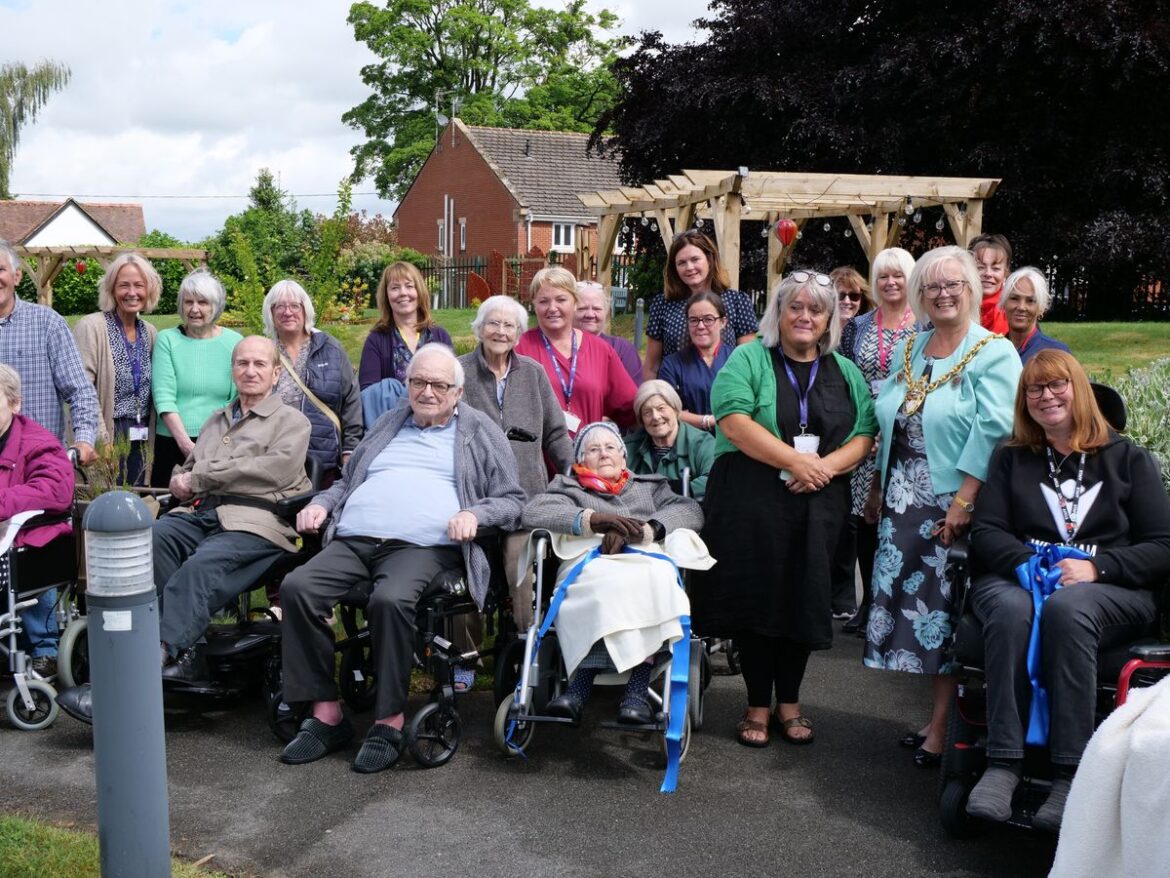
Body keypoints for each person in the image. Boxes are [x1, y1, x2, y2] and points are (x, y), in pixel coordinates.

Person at [277, 344, 525, 774]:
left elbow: (512, 500)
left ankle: (388, 721)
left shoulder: (479, 430)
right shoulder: (390, 423)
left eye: (438, 385)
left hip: (423, 546)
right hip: (355, 538)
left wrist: (474, 513)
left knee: (389, 601)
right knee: (298, 588)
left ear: (458, 392)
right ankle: (326, 713)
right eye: (418, 382)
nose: (426, 391)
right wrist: (323, 502)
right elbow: (348, 481)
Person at [56, 337, 313, 722]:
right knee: (153, 540)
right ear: (233, 370)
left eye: (260, 364)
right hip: (200, 514)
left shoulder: (292, 422)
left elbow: (270, 471)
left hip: (256, 522)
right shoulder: (216, 419)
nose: (250, 370)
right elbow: (187, 466)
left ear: (276, 373)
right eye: (242, 363)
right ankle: (179, 649)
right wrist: (179, 479)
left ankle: (134, 679)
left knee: (200, 567)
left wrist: (200, 477)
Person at [964, 350, 1170, 831]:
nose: (1046, 396)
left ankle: (1070, 771)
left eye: (1058, 385)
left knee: (1068, 608)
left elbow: (1163, 545)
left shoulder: (1130, 460)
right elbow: (989, 531)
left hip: (1110, 590)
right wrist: (1024, 564)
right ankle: (1003, 762)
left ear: (1079, 390)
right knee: (1013, 610)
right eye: (1034, 389)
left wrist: (1098, 568)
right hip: (1018, 579)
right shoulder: (1011, 459)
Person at [692, 270, 877, 747]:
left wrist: (822, 468)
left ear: (829, 319)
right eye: (795, 307)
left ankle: (789, 701)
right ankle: (755, 703)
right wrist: (796, 460)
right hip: (753, 501)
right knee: (760, 600)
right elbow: (733, 421)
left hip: (819, 504)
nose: (805, 316)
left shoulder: (846, 371)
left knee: (804, 598)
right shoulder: (749, 358)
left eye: (816, 309)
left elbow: (865, 432)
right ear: (778, 313)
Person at [864, 245, 1021, 767]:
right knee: (921, 620)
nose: (943, 293)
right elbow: (885, 414)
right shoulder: (912, 347)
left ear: (972, 291)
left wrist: (963, 500)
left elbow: (993, 430)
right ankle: (935, 721)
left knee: (945, 619)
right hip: (902, 502)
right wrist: (878, 485)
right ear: (920, 296)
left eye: (954, 284)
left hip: (951, 507)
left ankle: (942, 731)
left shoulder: (994, 352)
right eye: (932, 286)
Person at [521, 421, 705, 725]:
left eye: (610, 448)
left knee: (653, 586)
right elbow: (533, 512)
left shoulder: (649, 486)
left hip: (643, 557)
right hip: (591, 561)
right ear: (581, 461)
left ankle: (632, 691)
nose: (603, 454)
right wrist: (592, 520)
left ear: (623, 457)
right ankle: (583, 689)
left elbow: (690, 511)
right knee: (599, 589)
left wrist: (649, 529)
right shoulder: (567, 488)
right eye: (593, 449)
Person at [0, 240, 97, 676]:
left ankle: (41, 643)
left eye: (1, 269)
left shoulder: (46, 323)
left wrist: (87, 437)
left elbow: (79, 389)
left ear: (17, 275)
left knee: (33, 539)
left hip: (37, 460)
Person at [458, 294, 573, 631]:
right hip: (474, 497)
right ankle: (464, 658)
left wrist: (572, 472)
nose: (501, 331)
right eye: (493, 322)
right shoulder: (460, 373)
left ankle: (526, 641)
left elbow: (555, 432)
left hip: (525, 497)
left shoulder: (533, 373)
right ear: (480, 328)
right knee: (464, 559)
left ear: (519, 333)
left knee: (520, 561)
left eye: (509, 325)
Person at [836, 249, 919, 632]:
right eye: (883, 276)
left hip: (906, 435)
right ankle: (868, 602)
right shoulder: (860, 325)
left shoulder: (923, 326)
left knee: (899, 521)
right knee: (865, 522)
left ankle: (898, 605)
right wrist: (861, 428)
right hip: (864, 435)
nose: (890, 283)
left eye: (897, 276)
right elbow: (846, 377)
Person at [0, 364, 75, 676]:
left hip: (30, 540)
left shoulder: (38, 442)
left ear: (15, 403)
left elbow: (54, 491)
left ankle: (45, 648)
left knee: (31, 547)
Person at [73, 253, 162, 485]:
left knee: (136, 498)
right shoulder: (92, 327)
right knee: (107, 495)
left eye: (139, 285)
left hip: (141, 430)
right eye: (124, 285)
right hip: (108, 428)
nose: (132, 293)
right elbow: (82, 390)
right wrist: (102, 439)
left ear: (149, 290)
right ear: (112, 289)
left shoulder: (150, 332)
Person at [515, 266, 637, 435]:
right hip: (536, 457)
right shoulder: (519, 348)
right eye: (543, 301)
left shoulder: (600, 350)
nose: (552, 307)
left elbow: (629, 406)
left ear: (575, 303)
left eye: (561, 300)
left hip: (587, 455)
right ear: (534, 305)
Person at [262, 279, 362, 484]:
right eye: (279, 306)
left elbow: (351, 401)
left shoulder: (331, 348)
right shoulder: (264, 352)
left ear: (305, 310)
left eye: (294, 306)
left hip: (324, 462)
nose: (287, 312)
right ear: (270, 313)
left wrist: (350, 450)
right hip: (274, 460)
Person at [150, 268, 243, 487]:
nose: (194, 309)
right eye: (188, 302)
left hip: (220, 441)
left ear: (216, 306)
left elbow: (237, 398)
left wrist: (216, 443)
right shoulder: (167, 340)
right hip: (171, 441)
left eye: (202, 302)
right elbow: (163, 396)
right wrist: (185, 444)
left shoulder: (234, 342)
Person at [643, 229, 758, 380]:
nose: (689, 267)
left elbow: (750, 363)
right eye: (681, 263)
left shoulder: (737, 302)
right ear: (675, 268)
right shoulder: (663, 304)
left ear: (709, 260)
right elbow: (652, 366)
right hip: (675, 392)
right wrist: (649, 398)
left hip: (725, 390)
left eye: (695, 259)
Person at [358, 261, 453, 390]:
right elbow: (369, 394)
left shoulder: (440, 336)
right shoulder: (376, 340)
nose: (403, 293)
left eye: (409, 286)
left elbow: (453, 384)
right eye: (395, 288)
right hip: (393, 410)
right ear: (386, 296)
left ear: (419, 291)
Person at [624, 379, 715, 499]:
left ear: (676, 409)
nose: (655, 417)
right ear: (641, 419)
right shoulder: (627, 447)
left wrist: (668, 492)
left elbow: (713, 480)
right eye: (647, 412)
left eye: (661, 408)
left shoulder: (702, 443)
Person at [658, 291, 734, 432]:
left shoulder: (738, 360)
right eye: (694, 320)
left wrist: (685, 415)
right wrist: (707, 421)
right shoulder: (672, 364)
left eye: (708, 319)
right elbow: (665, 409)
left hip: (733, 442)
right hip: (689, 444)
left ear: (723, 322)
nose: (700, 326)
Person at [574, 280, 642, 385]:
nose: (590, 314)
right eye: (582, 308)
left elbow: (636, 394)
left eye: (597, 309)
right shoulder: (561, 349)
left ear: (606, 312)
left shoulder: (623, 350)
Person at [1000, 267, 1070, 362]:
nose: (1021, 307)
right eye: (1014, 298)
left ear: (1041, 308)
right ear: (1004, 303)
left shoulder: (1057, 353)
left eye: (1030, 301)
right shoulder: (992, 351)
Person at [970, 233, 1011, 334]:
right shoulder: (955, 307)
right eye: (980, 267)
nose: (988, 273)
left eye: (996, 268)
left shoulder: (1014, 312)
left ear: (1005, 273)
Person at [831, 266, 872, 330]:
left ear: (861, 302)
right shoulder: (817, 332)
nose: (847, 301)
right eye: (840, 295)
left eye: (854, 296)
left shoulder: (869, 335)